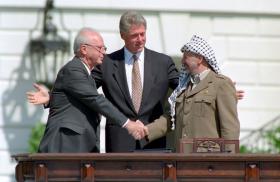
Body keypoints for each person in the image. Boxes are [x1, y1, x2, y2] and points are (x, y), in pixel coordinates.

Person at [27, 11, 244, 152]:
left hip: (154, 141)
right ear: (123, 36)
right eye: (134, 36)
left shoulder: (163, 62)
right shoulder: (107, 62)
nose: (140, 39)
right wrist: (52, 97)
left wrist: (216, 89)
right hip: (119, 143)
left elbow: (185, 88)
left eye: (143, 34)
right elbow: (85, 91)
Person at [33, 28, 146, 153]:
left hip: (79, 148)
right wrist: (128, 124)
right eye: (100, 48)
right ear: (84, 49)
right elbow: (95, 99)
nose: (103, 52)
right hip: (65, 146)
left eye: (104, 48)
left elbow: (73, 98)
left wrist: (51, 97)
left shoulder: (86, 75)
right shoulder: (73, 70)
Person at [142, 35, 240, 153]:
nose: (182, 61)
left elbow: (230, 128)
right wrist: (145, 130)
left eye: (186, 57)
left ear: (199, 58)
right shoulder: (183, 87)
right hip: (181, 159)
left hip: (208, 161)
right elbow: (171, 118)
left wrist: (230, 161)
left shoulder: (221, 84)